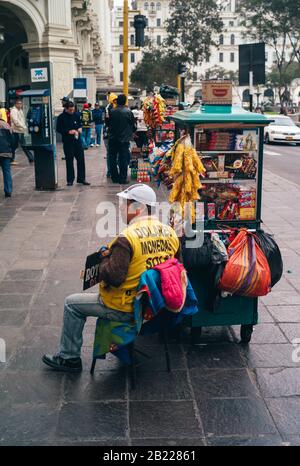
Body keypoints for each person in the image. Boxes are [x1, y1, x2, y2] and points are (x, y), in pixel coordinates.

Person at [42, 184, 181, 372]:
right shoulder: (171, 233)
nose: (121, 209)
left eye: (124, 205)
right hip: (155, 305)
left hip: (126, 307)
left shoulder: (127, 238)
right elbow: (174, 268)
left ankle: (69, 358)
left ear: (137, 209)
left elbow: (115, 277)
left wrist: (105, 259)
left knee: (71, 304)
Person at [56, 101, 90, 187]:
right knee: (69, 161)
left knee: (81, 160)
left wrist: (79, 128)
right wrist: (68, 131)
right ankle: (70, 180)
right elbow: (58, 129)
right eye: (70, 110)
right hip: (68, 142)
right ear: (66, 109)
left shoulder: (77, 115)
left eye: (73, 110)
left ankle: (81, 178)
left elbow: (79, 124)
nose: (72, 111)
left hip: (77, 141)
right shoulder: (61, 117)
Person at [108, 94, 136, 184]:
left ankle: (114, 177)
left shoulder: (111, 111)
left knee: (112, 158)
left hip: (113, 138)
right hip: (124, 139)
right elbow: (133, 125)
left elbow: (108, 124)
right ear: (125, 101)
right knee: (123, 158)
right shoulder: (128, 112)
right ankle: (122, 178)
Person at [10, 99, 34, 166]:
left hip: (20, 131)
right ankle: (31, 158)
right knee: (21, 145)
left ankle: (11, 159)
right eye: (19, 104)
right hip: (16, 131)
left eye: (21, 104)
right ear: (16, 104)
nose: (20, 105)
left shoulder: (20, 110)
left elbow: (22, 120)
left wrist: (24, 127)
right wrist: (23, 127)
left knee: (17, 145)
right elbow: (16, 122)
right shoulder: (14, 111)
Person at [103, 93, 118, 178]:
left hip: (112, 134)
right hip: (108, 135)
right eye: (114, 100)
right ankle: (110, 171)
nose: (115, 102)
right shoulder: (108, 108)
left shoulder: (114, 107)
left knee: (113, 153)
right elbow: (108, 122)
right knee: (110, 153)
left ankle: (113, 170)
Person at [0, 116, 14, 198]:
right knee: (7, 172)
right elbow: (12, 140)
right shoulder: (6, 125)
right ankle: (8, 191)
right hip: (6, 152)